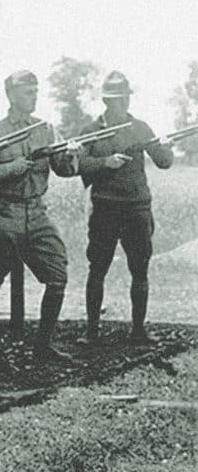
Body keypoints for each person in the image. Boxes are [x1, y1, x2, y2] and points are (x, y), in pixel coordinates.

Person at [0, 71, 80, 363]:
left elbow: (65, 169)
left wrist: (70, 154)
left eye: (35, 91)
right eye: (26, 92)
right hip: (4, 213)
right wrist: (11, 167)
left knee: (57, 274)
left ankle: (43, 346)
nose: (33, 96)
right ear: (10, 95)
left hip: (36, 212)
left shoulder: (45, 129)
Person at [75, 71, 174, 344]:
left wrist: (167, 147)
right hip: (105, 208)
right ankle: (91, 332)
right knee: (98, 269)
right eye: (117, 99)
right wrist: (106, 162)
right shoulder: (91, 131)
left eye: (125, 98)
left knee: (140, 269)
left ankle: (139, 330)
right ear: (106, 100)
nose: (122, 103)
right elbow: (76, 166)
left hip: (137, 208)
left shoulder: (140, 128)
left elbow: (164, 161)